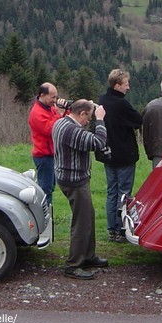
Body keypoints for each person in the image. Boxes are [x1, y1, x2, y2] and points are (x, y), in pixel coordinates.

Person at [53, 99, 109, 280]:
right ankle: (74, 264)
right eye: (89, 117)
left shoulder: (61, 122)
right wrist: (100, 120)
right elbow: (98, 142)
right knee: (82, 223)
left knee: (88, 216)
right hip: (74, 181)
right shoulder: (71, 130)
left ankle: (88, 256)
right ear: (82, 113)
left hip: (69, 177)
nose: (89, 122)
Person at [98, 69, 143, 243]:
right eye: (126, 84)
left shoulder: (102, 100)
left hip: (108, 153)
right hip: (124, 153)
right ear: (117, 86)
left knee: (111, 191)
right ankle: (121, 228)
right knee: (124, 193)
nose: (128, 87)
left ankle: (111, 229)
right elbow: (138, 120)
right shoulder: (122, 104)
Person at [28, 82, 64, 206]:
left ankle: (46, 213)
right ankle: (44, 215)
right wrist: (59, 113)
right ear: (42, 95)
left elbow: (61, 122)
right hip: (43, 156)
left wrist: (68, 111)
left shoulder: (50, 109)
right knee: (45, 189)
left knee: (50, 186)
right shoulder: (37, 112)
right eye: (53, 97)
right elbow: (51, 129)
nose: (55, 100)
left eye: (56, 97)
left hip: (51, 155)